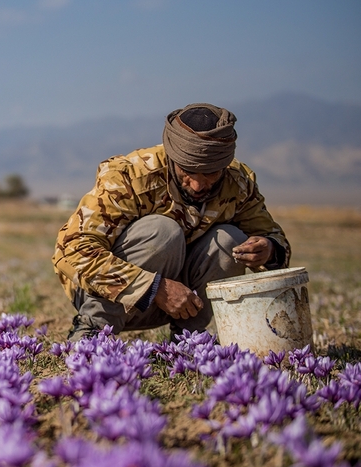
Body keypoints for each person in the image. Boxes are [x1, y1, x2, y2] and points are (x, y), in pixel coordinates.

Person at [52, 103, 290, 341]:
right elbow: (72, 250)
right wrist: (152, 287)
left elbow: (273, 239)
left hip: (178, 304)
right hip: (106, 298)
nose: (198, 185)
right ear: (172, 156)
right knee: (163, 231)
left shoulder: (238, 184)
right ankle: (93, 331)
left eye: (210, 173)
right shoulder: (130, 176)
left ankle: (188, 338)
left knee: (230, 240)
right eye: (188, 171)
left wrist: (268, 250)